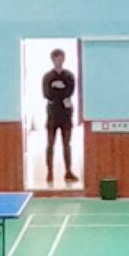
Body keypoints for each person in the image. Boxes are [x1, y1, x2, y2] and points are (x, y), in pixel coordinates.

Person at [42, 49, 78, 183]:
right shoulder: (47, 77)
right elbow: (47, 94)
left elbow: (69, 92)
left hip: (66, 114)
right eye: (57, 58)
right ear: (52, 59)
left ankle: (68, 171)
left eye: (61, 58)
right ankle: (49, 172)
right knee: (50, 144)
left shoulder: (69, 75)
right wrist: (60, 90)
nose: (59, 61)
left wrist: (57, 88)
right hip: (52, 114)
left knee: (67, 144)